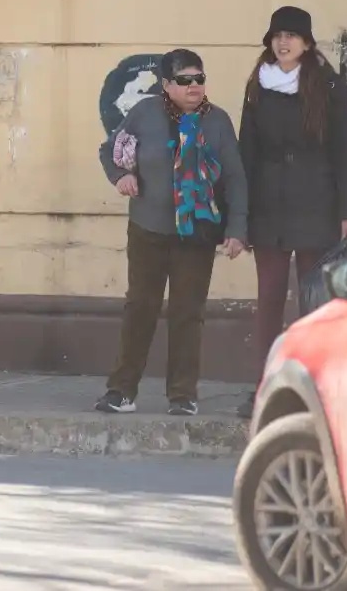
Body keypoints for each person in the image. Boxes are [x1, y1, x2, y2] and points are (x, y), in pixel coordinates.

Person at [94, 49, 248, 417]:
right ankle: (121, 391)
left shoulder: (218, 123)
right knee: (140, 308)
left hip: (196, 232)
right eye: (184, 80)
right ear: (166, 85)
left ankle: (182, 395)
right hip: (148, 229)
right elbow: (110, 151)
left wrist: (237, 228)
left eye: (199, 79)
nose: (194, 87)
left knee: (187, 313)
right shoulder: (144, 114)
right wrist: (122, 176)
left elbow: (235, 179)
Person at [236, 6, 347, 420]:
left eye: (291, 36)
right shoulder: (258, 84)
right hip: (268, 208)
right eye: (276, 36)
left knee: (313, 303)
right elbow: (245, 155)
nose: (282, 42)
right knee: (269, 300)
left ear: (307, 43)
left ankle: (314, 392)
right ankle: (264, 390)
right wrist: (240, 215)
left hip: (316, 206)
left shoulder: (328, 85)